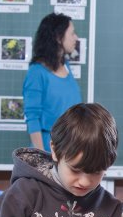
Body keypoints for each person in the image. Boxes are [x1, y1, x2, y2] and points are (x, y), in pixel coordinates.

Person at [23, 13, 82, 152]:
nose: (76, 38)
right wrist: (42, 158)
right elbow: (33, 118)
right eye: (72, 33)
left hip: (70, 149)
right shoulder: (36, 72)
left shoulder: (66, 66)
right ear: (58, 37)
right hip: (49, 151)